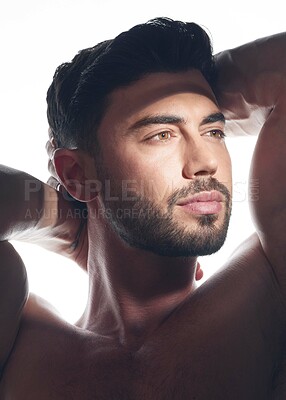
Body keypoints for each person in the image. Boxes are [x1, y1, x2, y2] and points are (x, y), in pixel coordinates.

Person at [0, 17, 285, 399]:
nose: (205, 161)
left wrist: (199, 82)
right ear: (76, 173)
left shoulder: (271, 291)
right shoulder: (19, 341)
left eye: (213, 131)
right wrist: (63, 223)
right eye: (161, 134)